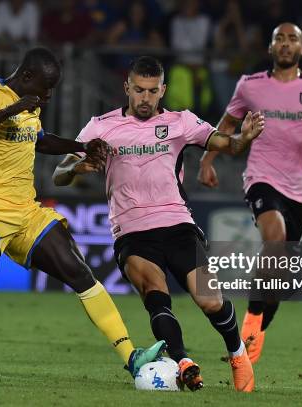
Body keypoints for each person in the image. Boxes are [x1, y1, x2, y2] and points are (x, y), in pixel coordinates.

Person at [0, 47, 165, 379]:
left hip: (26, 210)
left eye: (53, 88)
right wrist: (10, 110)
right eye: (46, 87)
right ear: (26, 77)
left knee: (80, 273)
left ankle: (131, 356)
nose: (49, 95)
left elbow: (39, 140)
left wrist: (81, 147)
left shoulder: (30, 104)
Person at [53, 56, 265, 392]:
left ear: (162, 90)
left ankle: (237, 353)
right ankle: (183, 362)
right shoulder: (100, 127)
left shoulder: (181, 122)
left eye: (152, 91)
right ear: (127, 87)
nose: (145, 98)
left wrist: (244, 137)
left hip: (178, 224)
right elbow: (58, 175)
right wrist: (77, 169)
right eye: (138, 90)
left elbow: (229, 145)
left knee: (210, 300)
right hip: (132, 232)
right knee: (155, 293)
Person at [198, 23, 302, 366]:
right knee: (275, 239)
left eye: (292, 39)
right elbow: (226, 125)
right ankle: (248, 329)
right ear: (270, 48)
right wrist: (206, 161)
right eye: (279, 39)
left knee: (279, 275)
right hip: (261, 177)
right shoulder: (250, 85)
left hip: (301, 188)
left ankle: (253, 332)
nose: (285, 45)